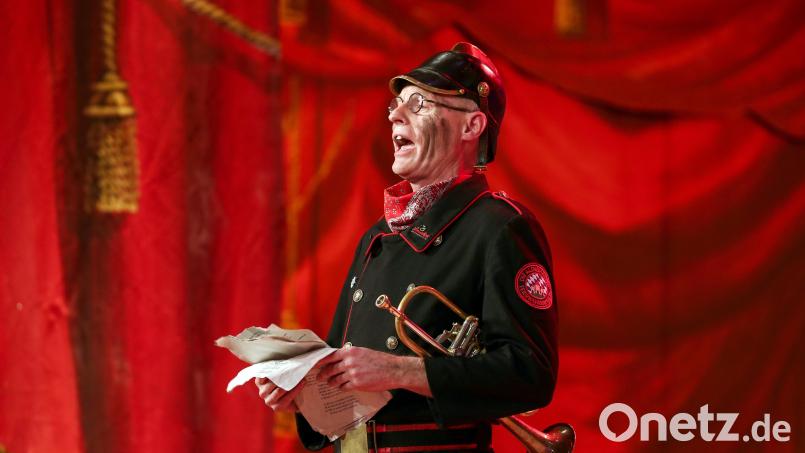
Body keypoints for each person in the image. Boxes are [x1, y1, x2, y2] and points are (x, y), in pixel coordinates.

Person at [256, 42, 559, 453]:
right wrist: (303, 392)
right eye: (395, 106)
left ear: (471, 127)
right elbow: (351, 391)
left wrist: (399, 369)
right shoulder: (378, 236)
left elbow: (530, 374)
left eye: (418, 104)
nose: (395, 115)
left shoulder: (501, 227)